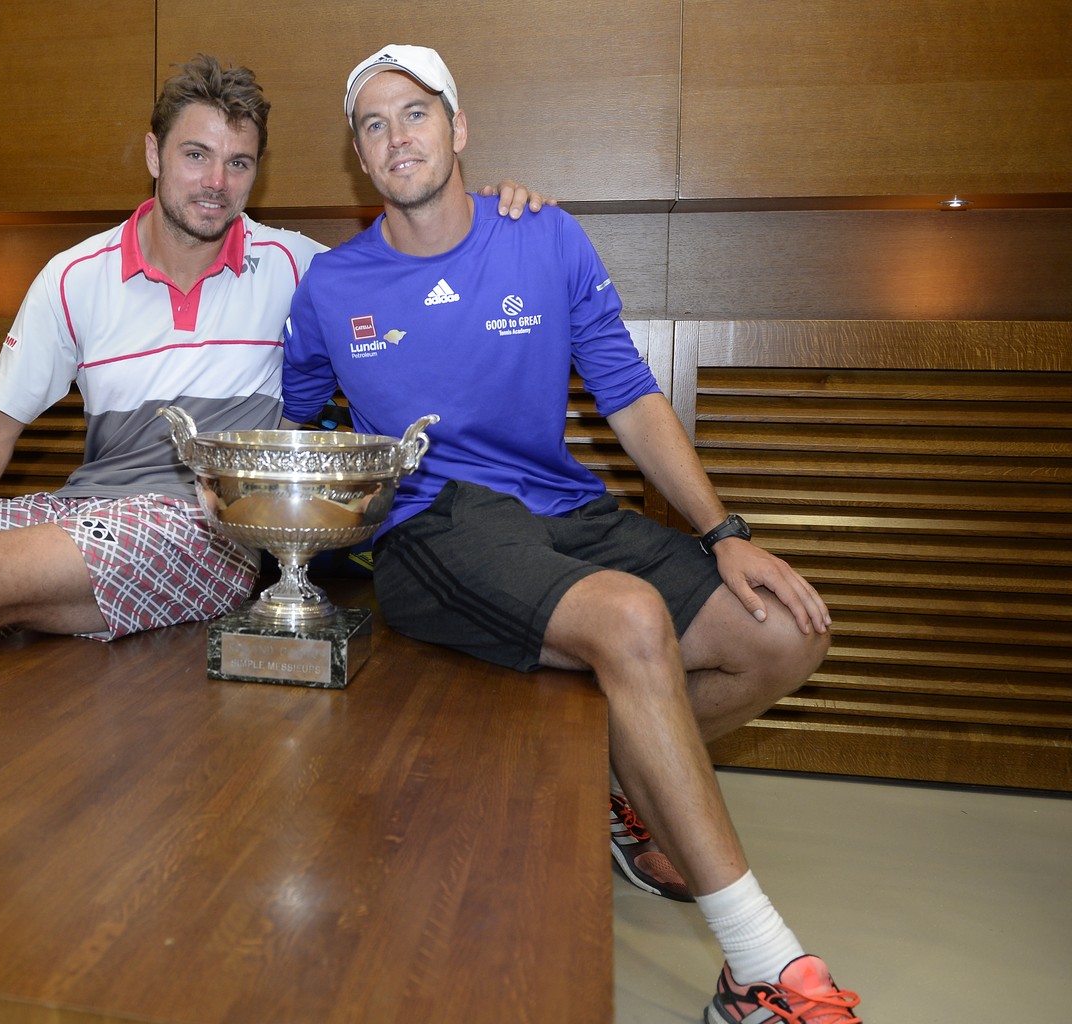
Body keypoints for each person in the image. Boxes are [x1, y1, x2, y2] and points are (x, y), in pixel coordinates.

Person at [281, 44, 863, 1024]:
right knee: (632, 621)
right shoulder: (332, 287)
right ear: (359, 158)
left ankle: (618, 795)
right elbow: (299, 433)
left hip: (567, 507)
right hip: (435, 526)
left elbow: (629, 397)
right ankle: (760, 968)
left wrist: (723, 531)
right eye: (372, 126)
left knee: (786, 631)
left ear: (458, 128)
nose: (395, 137)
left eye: (414, 113)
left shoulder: (542, 236)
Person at [0, 55, 546, 687]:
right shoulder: (73, 277)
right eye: (196, 155)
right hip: (86, 509)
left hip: (206, 529)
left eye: (239, 163)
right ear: (153, 153)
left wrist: (488, 212)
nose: (216, 182)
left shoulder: (300, 270)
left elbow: (410, 268)